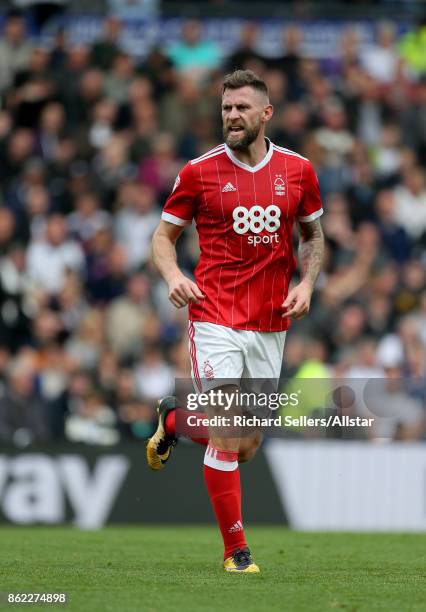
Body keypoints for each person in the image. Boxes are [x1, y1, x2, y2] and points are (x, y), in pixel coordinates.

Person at [148, 70, 324, 573]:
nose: (232, 116)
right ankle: (236, 553)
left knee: (244, 446)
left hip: (270, 321)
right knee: (228, 431)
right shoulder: (199, 172)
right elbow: (162, 238)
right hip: (215, 315)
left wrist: (307, 283)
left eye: (242, 108)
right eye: (226, 108)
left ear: (265, 114)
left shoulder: (298, 171)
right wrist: (172, 275)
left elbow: (313, 236)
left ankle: (176, 420)